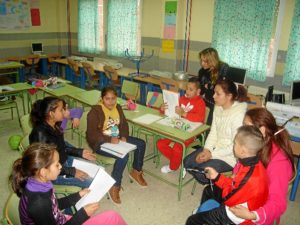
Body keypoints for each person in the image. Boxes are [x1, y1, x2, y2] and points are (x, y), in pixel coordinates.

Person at [9, 143, 126, 225]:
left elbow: (55, 206)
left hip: (61, 219)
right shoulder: (38, 203)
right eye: (56, 165)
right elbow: (48, 208)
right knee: (112, 217)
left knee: (109, 218)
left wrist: (78, 195)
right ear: (43, 172)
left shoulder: (41, 182)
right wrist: (83, 214)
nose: (61, 166)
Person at [186, 125, 269, 225]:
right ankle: (205, 216)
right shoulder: (252, 163)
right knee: (208, 190)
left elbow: (228, 199)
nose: (233, 146)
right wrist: (217, 177)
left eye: (235, 144)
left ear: (242, 151)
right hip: (238, 200)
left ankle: (206, 218)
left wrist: (219, 179)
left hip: (235, 214)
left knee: (192, 220)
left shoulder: (248, 176)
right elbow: (234, 185)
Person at [229, 108, 295, 225]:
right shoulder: (253, 146)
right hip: (244, 195)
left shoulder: (279, 162)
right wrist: (235, 174)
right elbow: (241, 164)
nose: (242, 131)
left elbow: (277, 203)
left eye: (246, 126)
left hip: (256, 212)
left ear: (262, 130)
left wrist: (252, 215)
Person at [86, 86, 147, 205]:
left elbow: (123, 124)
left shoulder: (118, 107)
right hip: (101, 142)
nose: (111, 102)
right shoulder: (95, 112)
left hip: (117, 138)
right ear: (102, 98)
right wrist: (109, 139)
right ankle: (114, 185)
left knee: (141, 143)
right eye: (107, 99)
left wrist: (124, 135)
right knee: (123, 156)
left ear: (116, 98)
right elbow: (91, 134)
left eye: (113, 98)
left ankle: (136, 171)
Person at [184, 78, 248, 184]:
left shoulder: (238, 115)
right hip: (214, 149)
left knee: (202, 172)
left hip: (229, 157)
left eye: (218, 94)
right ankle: (215, 178)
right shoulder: (218, 107)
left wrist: (211, 155)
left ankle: (221, 183)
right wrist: (206, 150)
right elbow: (213, 132)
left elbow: (234, 147)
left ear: (229, 96)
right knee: (187, 162)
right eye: (214, 92)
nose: (213, 96)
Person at [29, 96, 96, 188]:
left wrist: (80, 153)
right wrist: (72, 171)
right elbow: (45, 166)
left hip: (63, 162)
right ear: (51, 114)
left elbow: (62, 147)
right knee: (92, 181)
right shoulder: (40, 134)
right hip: (54, 173)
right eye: (61, 110)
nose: (65, 112)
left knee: (96, 170)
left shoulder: (55, 125)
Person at [157, 77, 206, 173]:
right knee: (160, 144)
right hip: (177, 129)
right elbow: (171, 112)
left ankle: (173, 167)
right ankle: (179, 162)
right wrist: (162, 109)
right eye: (187, 88)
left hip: (191, 133)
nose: (187, 91)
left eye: (191, 89)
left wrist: (184, 114)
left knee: (177, 147)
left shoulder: (200, 103)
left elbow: (200, 118)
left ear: (198, 91)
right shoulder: (181, 99)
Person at [198, 47, 229, 125]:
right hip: (205, 100)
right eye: (201, 60)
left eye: (205, 61)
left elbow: (222, 87)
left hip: (217, 103)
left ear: (212, 60)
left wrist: (209, 86)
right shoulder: (202, 71)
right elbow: (201, 87)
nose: (202, 63)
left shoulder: (223, 67)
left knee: (209, 124)